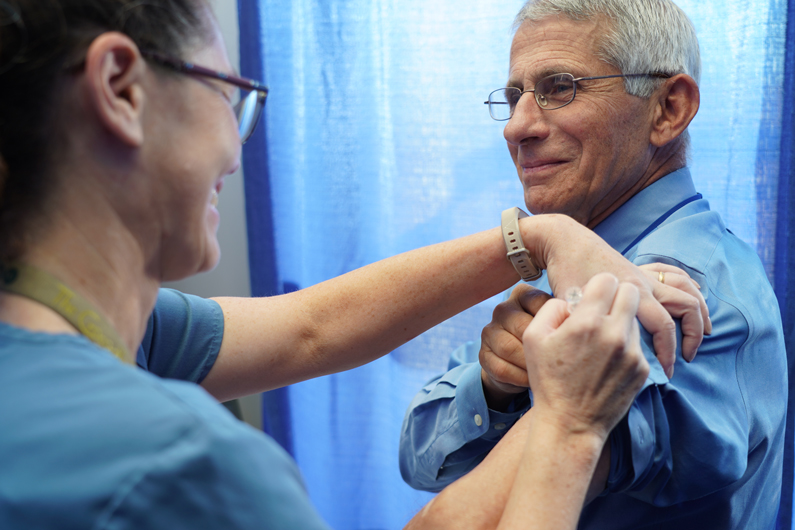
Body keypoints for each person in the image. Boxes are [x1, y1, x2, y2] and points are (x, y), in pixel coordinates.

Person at [0, 0, 703, 528]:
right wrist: (569, 426)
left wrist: (532, 238)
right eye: (225, 92)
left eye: (559, 89)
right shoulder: (187, 469)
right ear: (121, 88)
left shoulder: (83, 341)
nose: (518, 126)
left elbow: (310, 328)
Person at [399, 0, 788, 528]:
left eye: (561, 87)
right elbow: (418, 449)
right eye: (514, 96)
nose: (517, 127)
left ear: (668, 108)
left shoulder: (682, 298)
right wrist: (495, 386)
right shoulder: (578, 264)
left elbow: (466, 518)